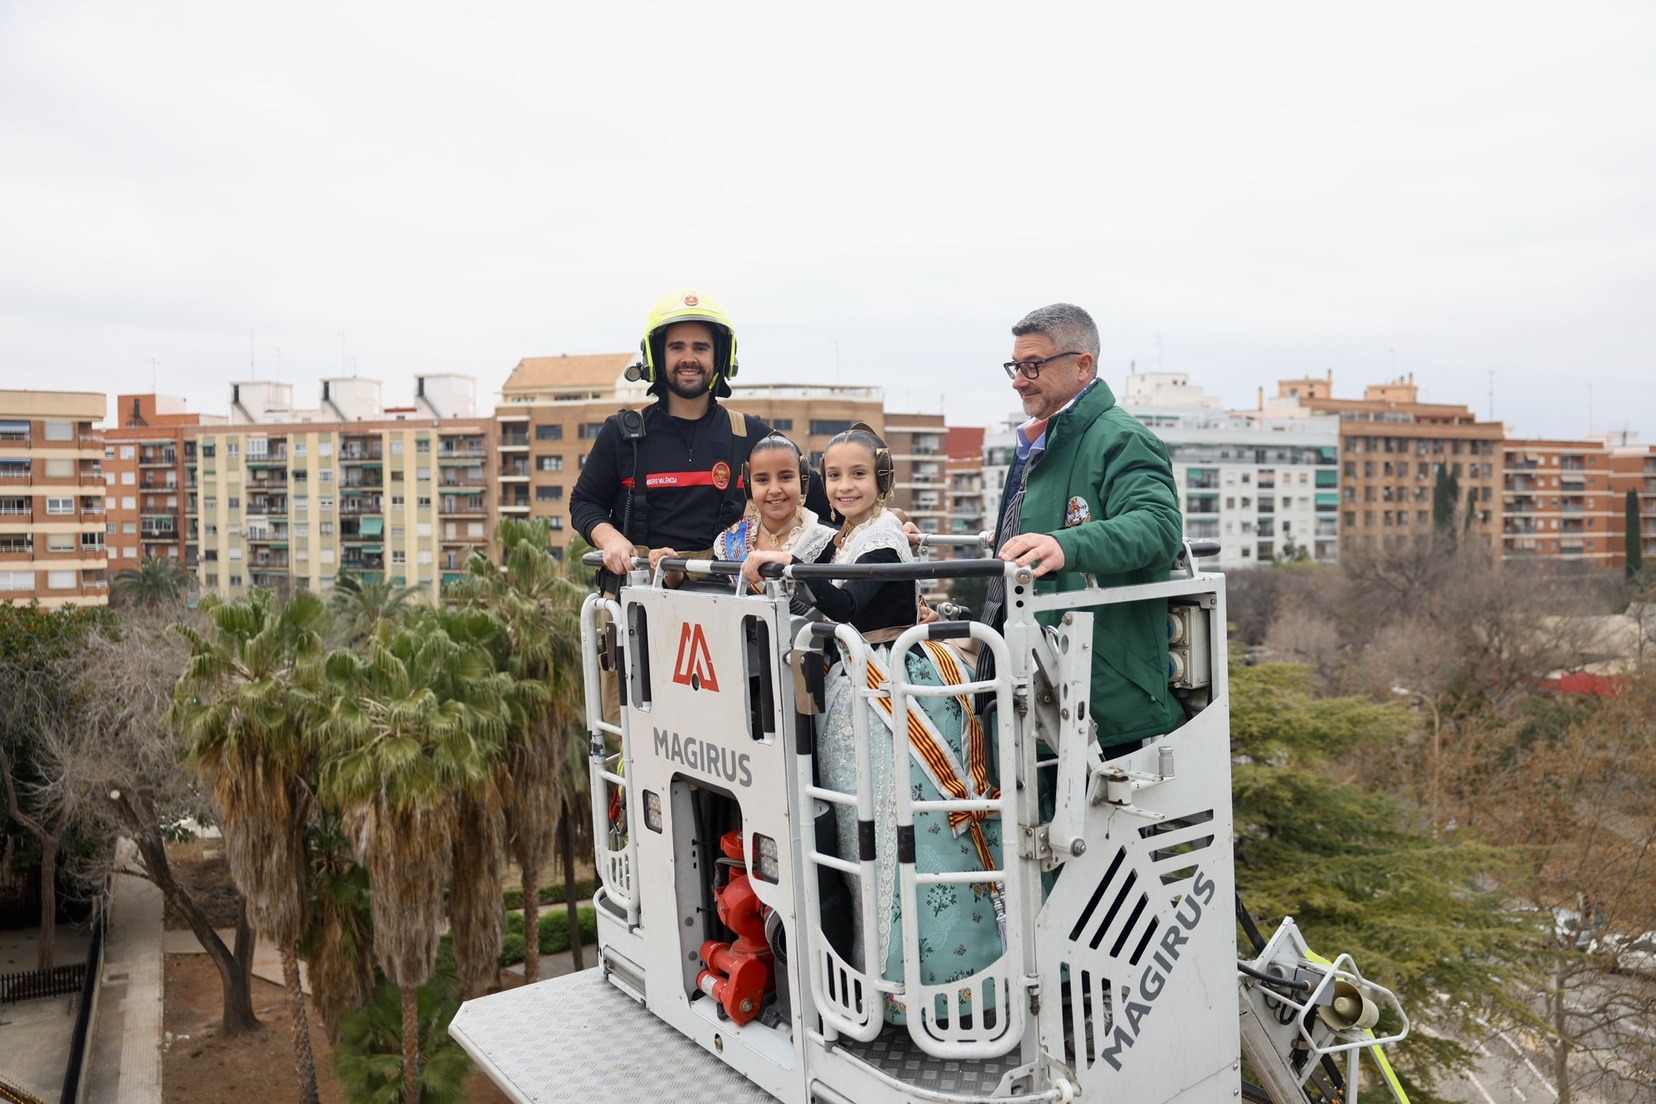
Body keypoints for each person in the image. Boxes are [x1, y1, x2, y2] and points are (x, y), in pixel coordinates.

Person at [743, 425, 1000, 1024]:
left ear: (881, 477)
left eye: (857, 474)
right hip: (860, 685)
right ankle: (877, 983)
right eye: (834, 475)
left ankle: (930, 987)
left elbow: (850, 603)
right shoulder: (848, 535)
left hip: (894, 683)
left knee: (902, 830)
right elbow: (810, 587)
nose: (844, 485)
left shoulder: (881, 536)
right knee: (866, 834)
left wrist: (787, 566)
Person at [984, 302, 1185, 752]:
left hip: (1102, 701)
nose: (1018, 380)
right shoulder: (1042, 438)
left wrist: (1064, 545)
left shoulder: (1122, 437)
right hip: (1035, 684)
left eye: (1033, 365)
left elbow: (1158, 526)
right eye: (1015, 366)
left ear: (1082, 365)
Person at [571, 287, 819, 586]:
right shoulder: (623, 434)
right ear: (657, 355)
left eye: (700, 348)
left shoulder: (750, 435)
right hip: (637, 600)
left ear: (720, 356)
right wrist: (609, 538)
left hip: (726, 600)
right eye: (677, 347)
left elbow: (819, 495)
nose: (689, 358)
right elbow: (584, 501)